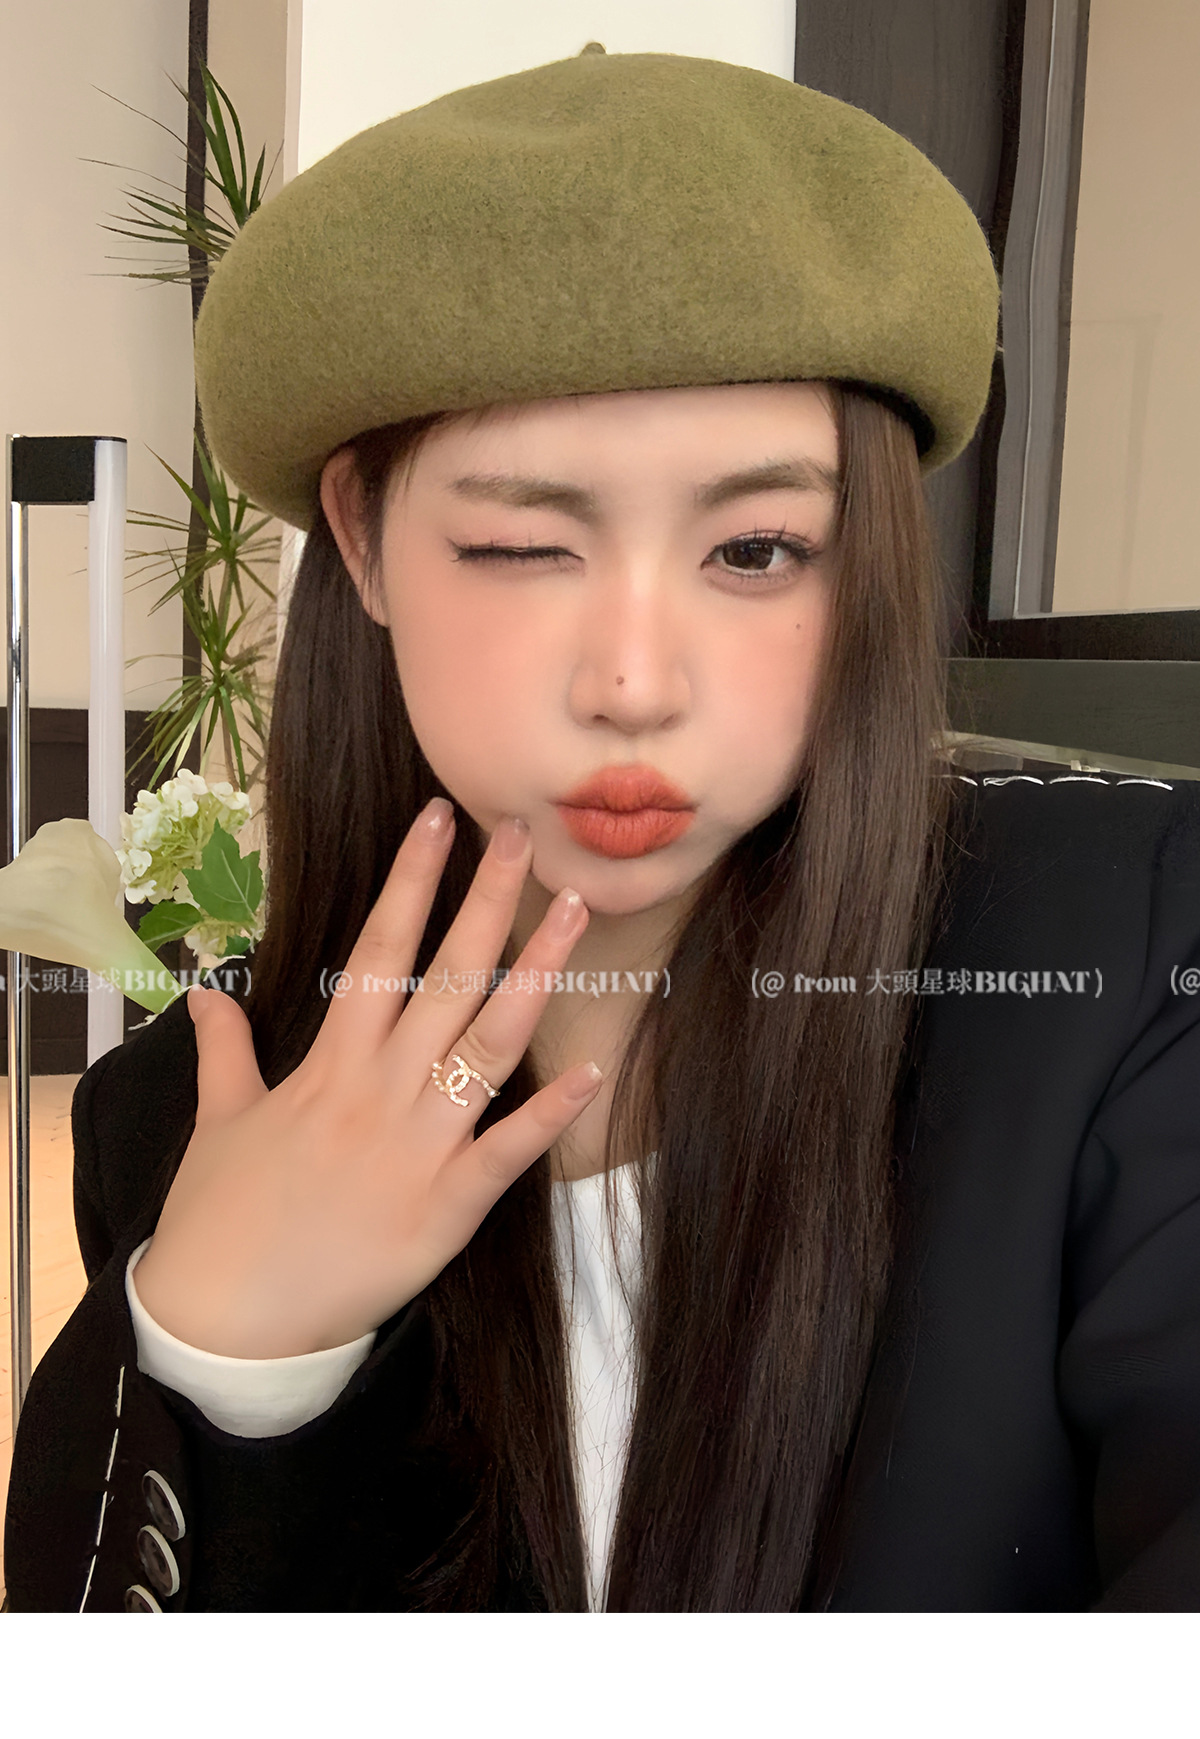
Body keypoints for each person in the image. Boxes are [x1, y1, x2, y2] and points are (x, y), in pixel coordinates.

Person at [6, 48, 1200, 1614]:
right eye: (523, 547)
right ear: (361, 537)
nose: (634, 684)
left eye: (757, 550)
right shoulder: (187, 1118)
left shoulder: (1122, 967)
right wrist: (223, 1352)